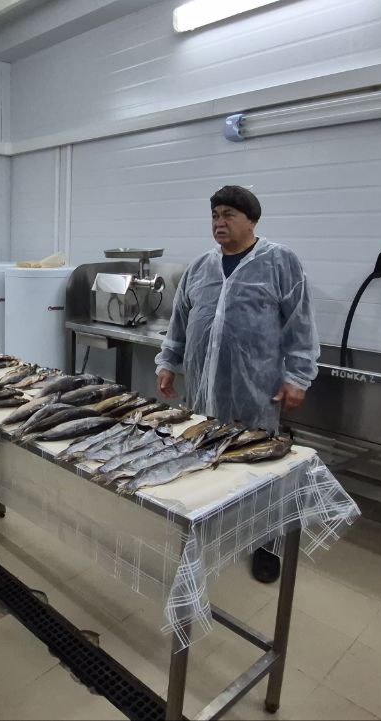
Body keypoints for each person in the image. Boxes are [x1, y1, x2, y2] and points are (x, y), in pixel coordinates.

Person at [154, 185, 319, 583]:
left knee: (258, 466)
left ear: (252, 220)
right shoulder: (200, 267)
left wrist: (298, 377)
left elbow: (300, 323)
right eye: (215, 215)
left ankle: (266, 542)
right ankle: (206, 524)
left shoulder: (279, 262)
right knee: (203, 457)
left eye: (228, 214)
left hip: (254, 391)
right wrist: (168, 362)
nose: (219, 222)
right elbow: (180, 322)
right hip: (202, 390)